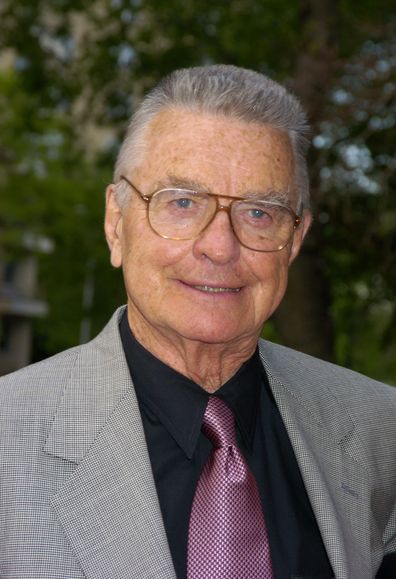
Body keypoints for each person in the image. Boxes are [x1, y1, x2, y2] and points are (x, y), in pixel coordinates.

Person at [0, 65, 395, 579]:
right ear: (116, 224)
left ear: (295, 240)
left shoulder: (380, 431)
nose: (219, 246)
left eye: (259, 213)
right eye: (182, 203)